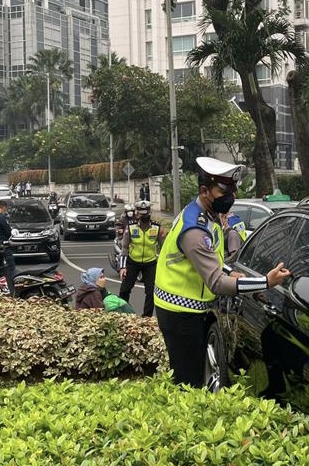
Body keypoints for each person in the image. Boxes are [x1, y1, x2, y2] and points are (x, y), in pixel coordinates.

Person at [155, 156, 291, 388]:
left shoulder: (207, 215)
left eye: (233, 190)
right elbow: (217, 283)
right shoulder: (195, 231)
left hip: (189, 308)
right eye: (224, 191)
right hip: (180, 312)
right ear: (204, 191)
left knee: (193, 373)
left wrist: (231, 271)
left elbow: (214, 260)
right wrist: (265, 282)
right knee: (189, 382)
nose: (232, 196)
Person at [118, 200, 164, 317]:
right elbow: (124, 248)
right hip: (133, 262)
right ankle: (123, 315)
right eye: (142, 214)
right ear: (137, 214)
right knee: (125, 289)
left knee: (151, 292)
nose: (144, 216)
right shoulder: (131, 227)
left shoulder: (157, 228)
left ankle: (146, 317)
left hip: (150, 263)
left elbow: (163, 248)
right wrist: (123, 267)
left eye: (146, 214)